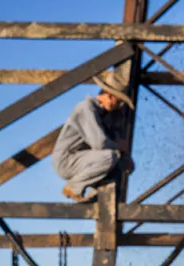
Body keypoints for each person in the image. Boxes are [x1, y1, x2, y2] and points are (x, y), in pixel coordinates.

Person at [53, 62, 135, 201]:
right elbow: (99, 143)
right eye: (119, 102)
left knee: (112, 157)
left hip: (78, 158)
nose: (119, 106)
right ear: (110, 96)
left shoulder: (97, 112)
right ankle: (74, 187)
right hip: (67, 160)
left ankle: (92, 195)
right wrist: (120, 150)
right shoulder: (86, 108)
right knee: (110, 156)